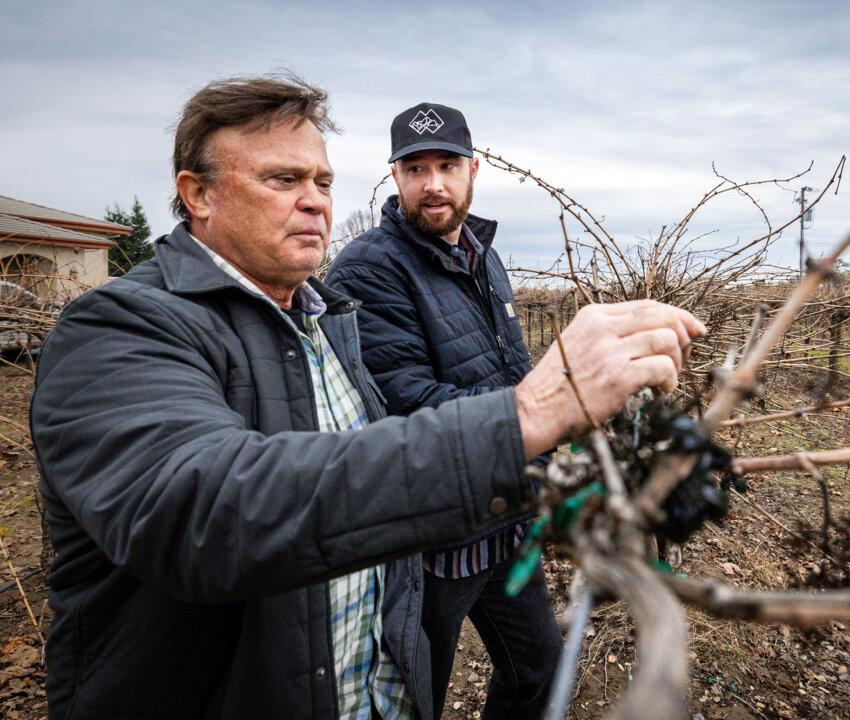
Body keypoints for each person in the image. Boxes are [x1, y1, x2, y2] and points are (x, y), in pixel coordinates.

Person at [29, 75, 705, 720]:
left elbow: (355, 472)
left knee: (536, 670)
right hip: (422, 555)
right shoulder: (116, 329)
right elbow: (209, 513)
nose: (316, 200)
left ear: (475, 171)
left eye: (322, 180)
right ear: (197, 195)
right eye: (282, 179)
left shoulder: (323, 321)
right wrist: (529, 415)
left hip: (422, 611)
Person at [326, 102, 560, 720]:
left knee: (538, 670)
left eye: (447, 165)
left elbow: (511, 371)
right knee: (416, 696)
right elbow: (410, 401)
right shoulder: (369, 267)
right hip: (433, 539)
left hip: (505, 521)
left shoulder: (485, 256)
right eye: (415, 167)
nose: (433, 183)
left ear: (472, 170)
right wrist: (554, 411)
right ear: (395, 177)